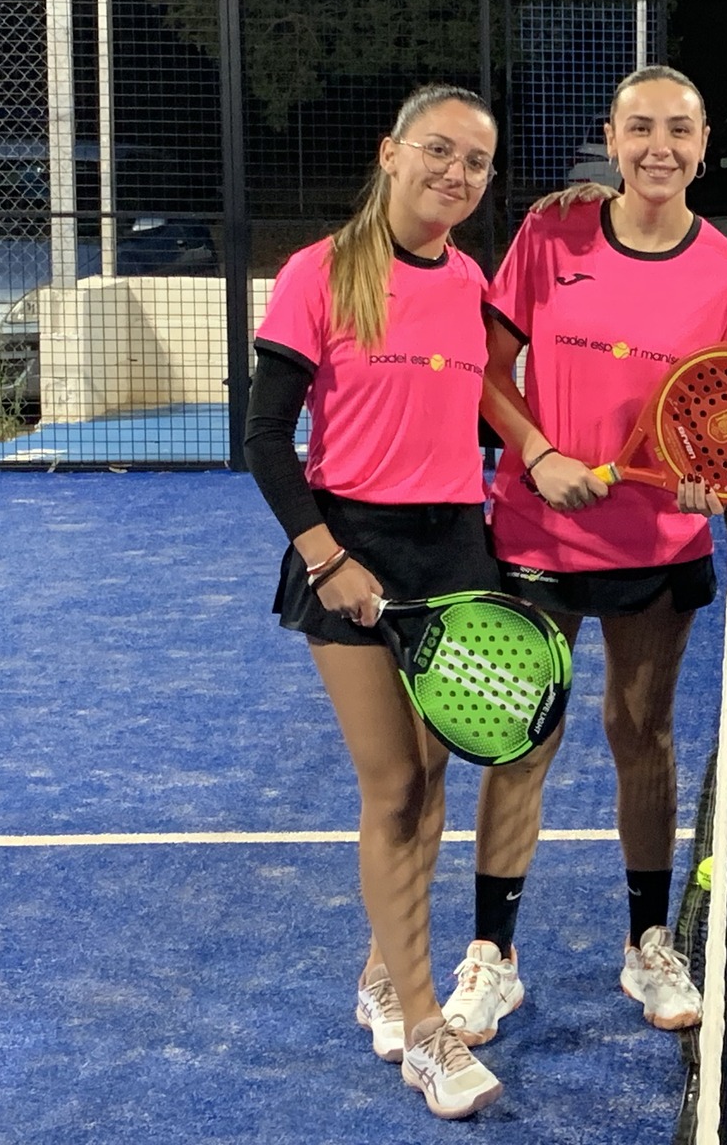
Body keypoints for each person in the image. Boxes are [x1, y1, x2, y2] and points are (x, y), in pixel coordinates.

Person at [474, 64, 727, 1033]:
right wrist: (539, 453)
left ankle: (648, 943)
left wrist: (708, 477)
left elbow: (726, 415)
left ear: (705, 145)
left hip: (657, 540)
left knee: (643, 734)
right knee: (523, 736)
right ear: (611, 137)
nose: (659, 148)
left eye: (679, 130)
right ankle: (493, 952)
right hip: (538, 526)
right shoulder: (550, 234)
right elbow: (487, 369)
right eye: (640, 128)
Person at [243, 84, 508, 1120]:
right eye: (438, 150)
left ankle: (384, 976)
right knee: (393, 784)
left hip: (455, 547)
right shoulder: (318, 272)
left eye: (476, 161)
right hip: (352, 550)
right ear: (391, 153)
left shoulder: (469, 277)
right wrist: (326, 559)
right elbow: (265, 438)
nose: (456, 173)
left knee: (431, 778)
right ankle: (429, 1031)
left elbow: (479, 409)